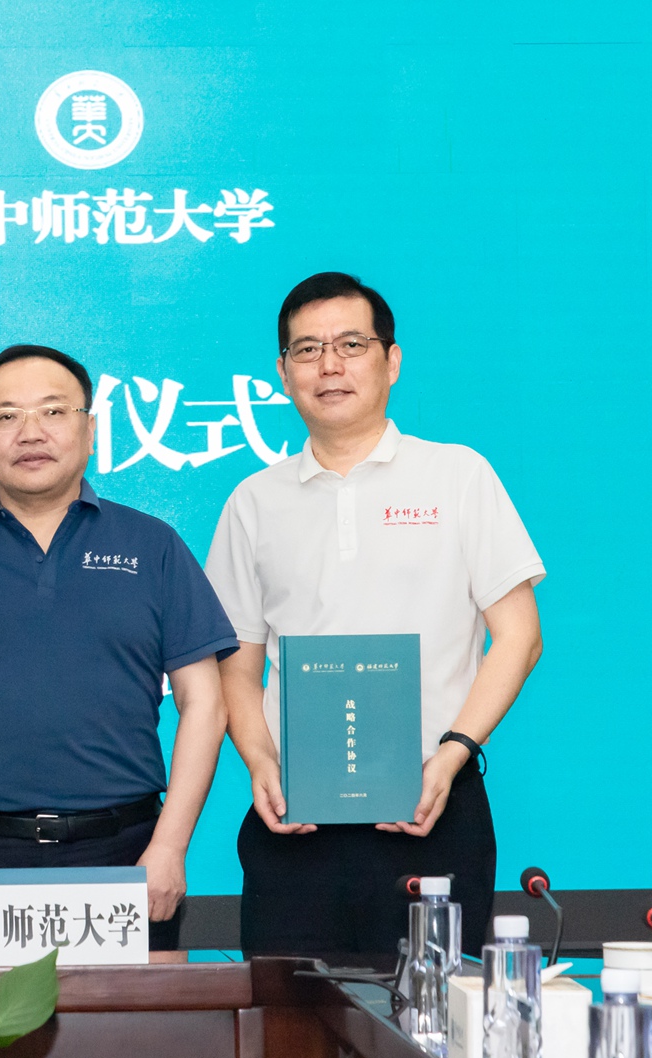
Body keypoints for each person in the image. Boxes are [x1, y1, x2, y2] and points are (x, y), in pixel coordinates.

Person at [204, 272, 544, 957]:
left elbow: (519, 636)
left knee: (433, 1012)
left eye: (351, 344)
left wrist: (452, 754)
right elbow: (235, 664)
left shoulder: (458, 475)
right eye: (307, 349)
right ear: (283, 373)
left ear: (391, 361)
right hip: (296, 818)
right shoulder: (254, 501)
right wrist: (260, 761)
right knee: (288, 1014)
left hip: (433, 804)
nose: (329, 365)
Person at [0, 344, 235, 948]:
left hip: (126, 854)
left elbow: (205, 703)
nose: (30, 433)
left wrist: (169, 846)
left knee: (134, 1016)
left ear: (91, 431)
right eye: (5, 416)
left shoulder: (152, 545)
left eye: (54, 412)